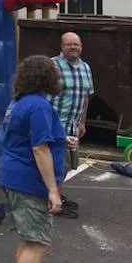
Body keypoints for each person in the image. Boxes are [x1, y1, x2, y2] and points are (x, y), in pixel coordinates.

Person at [0, 55, 68, 263]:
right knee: (37, 243)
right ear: (44, 77)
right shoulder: (38, 106)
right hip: (29, 181)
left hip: (13, 175)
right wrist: (53, 190)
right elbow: (39, 148)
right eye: (55, 73)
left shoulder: (18, 103)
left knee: (28, 240)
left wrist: (62, 139)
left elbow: (25, 137)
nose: (58, 77)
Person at [48, 32, 94, 216]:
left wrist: (82, 122)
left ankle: (56, 196)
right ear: (62, 46)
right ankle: (53, 202)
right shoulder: (52, 66)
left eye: (76, 44)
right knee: (58, 164)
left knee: (67, 165)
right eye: (69, 44)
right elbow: (43, 95)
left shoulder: (85, 67)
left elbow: (86, 97)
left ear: (81, 46)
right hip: (55, 124)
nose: (73, 47)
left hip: (73, 126)